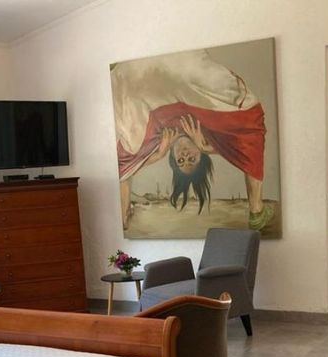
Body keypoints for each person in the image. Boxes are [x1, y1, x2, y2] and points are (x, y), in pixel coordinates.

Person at [111, 49, 274, 231]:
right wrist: (209, 148)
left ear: (172, 156)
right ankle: (257, 210)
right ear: (200, 153)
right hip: (189, 73)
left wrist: (157, 155)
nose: (185, 154)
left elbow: (120, 168)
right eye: (192, 159)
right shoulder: (212, 129)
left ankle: (124, 214)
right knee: (250, 121)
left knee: (131, 143)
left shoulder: (155, 138)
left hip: (135, 76)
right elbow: (252, 133)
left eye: (180, 160)